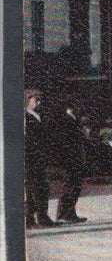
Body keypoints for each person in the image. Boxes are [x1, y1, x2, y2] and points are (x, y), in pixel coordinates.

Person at [53, 101, 88, 223]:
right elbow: (64, 142)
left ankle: (70, 213)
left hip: (76, 159)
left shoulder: (73, 120)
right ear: (71, 108)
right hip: (70, 160)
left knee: (75, 187)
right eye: (77, 107)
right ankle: (63, 214)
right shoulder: (66, 120)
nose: (79, 110)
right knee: (69, 186)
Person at [24, 90, 55, 228]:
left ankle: (42, 217)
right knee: (32, 189)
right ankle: (30, 219)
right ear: (27, 100)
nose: (39, 103)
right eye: (36, 100)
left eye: (39, 100)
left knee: (42, 188)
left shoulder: (38, 116)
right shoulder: (25, 117)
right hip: (31, 159)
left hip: (40, 158)